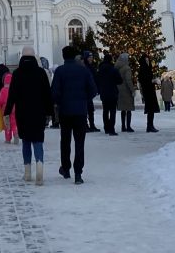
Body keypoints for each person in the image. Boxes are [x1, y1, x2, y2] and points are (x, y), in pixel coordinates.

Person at [5, 47, 52, 185]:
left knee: (25, 141)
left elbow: (12, 95)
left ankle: (27, 172)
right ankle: (39, 166)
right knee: (38, 140)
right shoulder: (41, 73)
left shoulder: (17, 73)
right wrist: (49, 112)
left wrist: (7, 111)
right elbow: (47, 94)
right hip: (39, 112)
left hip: (22, 112)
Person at [51, 44, 97, 184]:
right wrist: (84, 99)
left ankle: (65, 168)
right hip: (80, 112)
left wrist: (59, 102)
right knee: (79, 142)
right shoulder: (83, 71)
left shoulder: (60, 71)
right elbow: (93, 90)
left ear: (64, 56)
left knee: (65, 141)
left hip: (65, 111)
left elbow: (54, 92)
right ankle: (78, 172)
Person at [96, 52, 122, 136]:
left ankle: (106, 128)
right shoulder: (113, 69)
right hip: (112, 93)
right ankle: (111, 129)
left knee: (105, 111)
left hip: (104, 92)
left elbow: (97, 80)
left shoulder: (100, 69)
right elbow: (120, 81)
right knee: (112, 111)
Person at [138, 55, 160, 133]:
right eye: (146, 60)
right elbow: (143, 80)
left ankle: (150, 125)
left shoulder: (148, 68)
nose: (148, 61)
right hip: (148, 91)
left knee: (152, 109)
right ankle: (149, 126)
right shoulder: (143, 69)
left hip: (150, 90)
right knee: (150, 109)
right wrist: (152, 81)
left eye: (148, 60)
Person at [116, 52, 136, 132]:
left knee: (123, 109)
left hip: (119, 89)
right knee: (129, 109)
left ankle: (123, 126)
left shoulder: (117, 67)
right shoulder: (127, 68)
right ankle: (128, 126)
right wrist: (132, 90)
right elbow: (128, 80)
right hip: (126, 90)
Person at [81, 49, 100, 131]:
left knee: (90, 109)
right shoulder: (84, 67)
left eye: (92, 56)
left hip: (90, 91)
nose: (91, 58)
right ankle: (86, 125)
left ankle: (92, 125)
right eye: (89, 57)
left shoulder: (91, 67)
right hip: (85, 92)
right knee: (86, 109)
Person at [0, 70, 18, 144]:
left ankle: (8, 139)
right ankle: (15, 133)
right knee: (14, 122)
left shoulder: (3, 90)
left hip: (5, 109)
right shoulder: (15, 89)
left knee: (7, 124)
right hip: (14, 108)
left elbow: (1, 100)